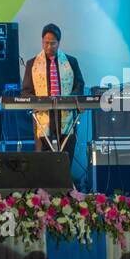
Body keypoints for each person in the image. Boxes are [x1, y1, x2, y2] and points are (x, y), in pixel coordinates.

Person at [20, 24, 85, 163]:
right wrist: (38, 101)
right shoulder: (32, 64)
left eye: (53, 43)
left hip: (65, 115)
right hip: (43, 116)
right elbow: (26, 92)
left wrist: (69, 100)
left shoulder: (71, 62)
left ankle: (64, 183)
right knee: (44, 159)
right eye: (46, 43)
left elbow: (79, 86)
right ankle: (44, 185)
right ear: (42, 41)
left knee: (66, 155)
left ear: (59, 43)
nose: (49, 47)